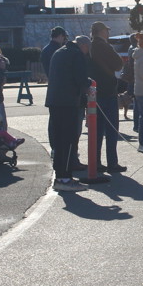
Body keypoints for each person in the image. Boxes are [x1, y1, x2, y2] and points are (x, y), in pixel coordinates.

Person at [47, 35, 91, 192]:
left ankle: (60, 176)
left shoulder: (59, 52)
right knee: (68, 141)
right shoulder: (76, 54)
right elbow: (81, 78)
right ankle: (64, 178)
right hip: (68, 102)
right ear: (83, 46)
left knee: (59, 141)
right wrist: (89, 84)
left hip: (54, 101)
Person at [88, 21, 126, 173]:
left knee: (96, 130)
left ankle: (95, 161)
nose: (108, 33)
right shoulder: (104, 46)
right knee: (111, 129)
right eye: (106, 30)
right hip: (108, 91)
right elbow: (118, 64)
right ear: (101, 31)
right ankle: (112, 162)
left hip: (94, 92)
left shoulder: (89, 46)